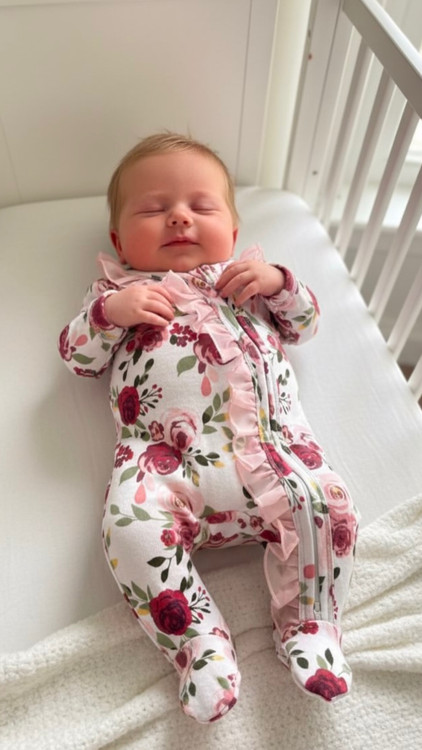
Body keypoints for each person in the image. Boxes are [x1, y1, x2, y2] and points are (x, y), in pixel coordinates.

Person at [58, 132, 359, 723]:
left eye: (201, 205)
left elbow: (305, 324)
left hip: (275, 455)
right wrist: (109, 314)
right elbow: (77, 356)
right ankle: (199, 646)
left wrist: (279, 282)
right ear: (119, 240)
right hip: (164, 466)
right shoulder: (119, 291)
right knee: (128, 526)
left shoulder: (247, 282)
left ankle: (311, 624)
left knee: (329, 504)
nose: (179, 216)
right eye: (153, 208)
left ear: (234, 229)